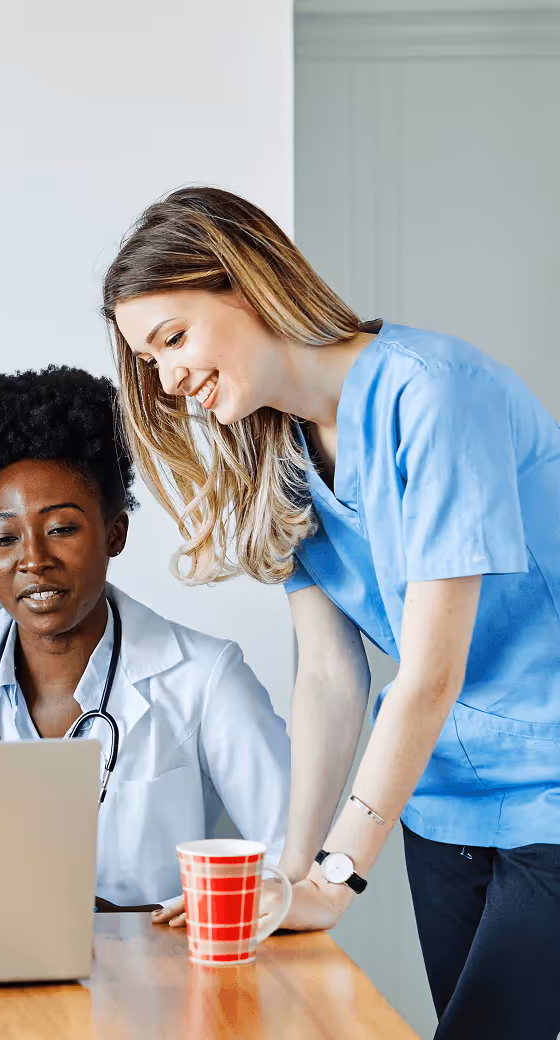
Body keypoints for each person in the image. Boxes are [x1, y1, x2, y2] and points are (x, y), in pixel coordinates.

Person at [104, 186, 560, 1039]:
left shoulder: (432, 397)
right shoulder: (278, 455)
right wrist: (289, 871)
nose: (166, 378)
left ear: (247, 281)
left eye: (174, 338)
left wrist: (339, 875)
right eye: (148, 358)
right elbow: (326, 676)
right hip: (444, 803)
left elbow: (430, 673)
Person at [0, 366, 291, 911]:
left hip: (162, 982)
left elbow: (290, 866)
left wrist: (209, 915)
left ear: (115, 533)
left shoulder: (205, 679)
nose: (32, 560)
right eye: (4, 536)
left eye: (61, 529)